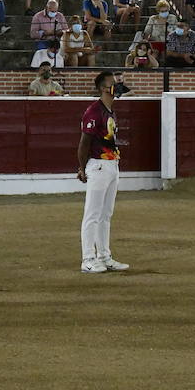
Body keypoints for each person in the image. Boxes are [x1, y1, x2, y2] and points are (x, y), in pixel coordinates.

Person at [77, 71, 126, 273]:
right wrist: (81, 167)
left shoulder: (108, 110)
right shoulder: (94, 111)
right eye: (113, 83)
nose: (117, 86)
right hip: (98, 165)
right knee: (93, 214)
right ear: (103, 88)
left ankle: (104, 256)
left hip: (111, 165)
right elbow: (84, 142)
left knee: (105, 214)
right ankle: (88, 258)